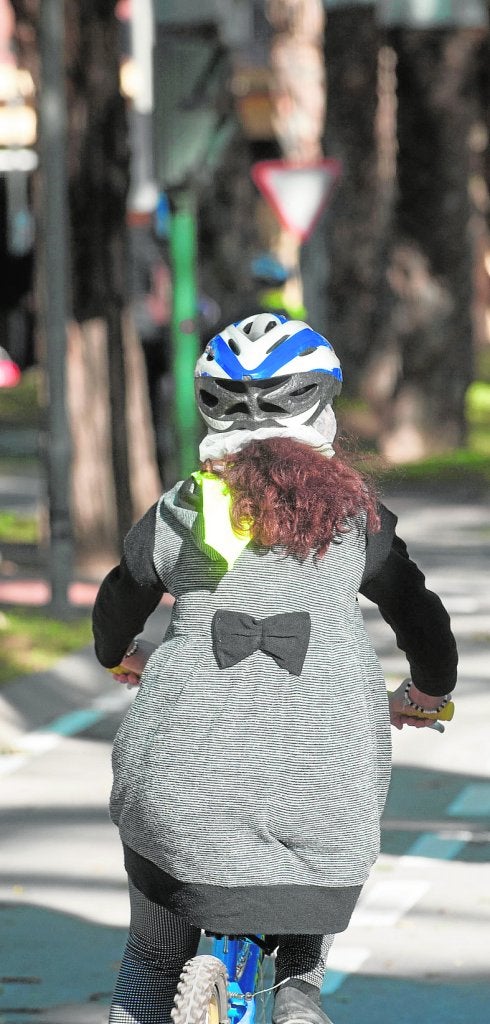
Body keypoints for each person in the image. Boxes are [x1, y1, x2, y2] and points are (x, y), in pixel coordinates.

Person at [92, 313, 458, 1024]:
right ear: (320, 403)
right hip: (318, 789)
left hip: (181, 790)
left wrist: (122, 656)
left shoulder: (182, 512)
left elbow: (116, 604)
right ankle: (297, 997)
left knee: (151, 956)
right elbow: (422, 619)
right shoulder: (356, 520)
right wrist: (427, 691)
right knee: (321, 830)